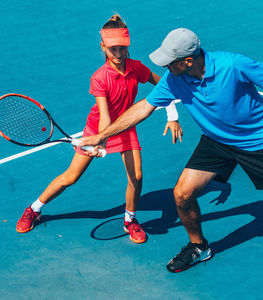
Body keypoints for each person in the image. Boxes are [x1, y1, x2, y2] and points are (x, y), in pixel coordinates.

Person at [78, 28, 263, 281]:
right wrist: (103, 134)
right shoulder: (174, 79)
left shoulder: (232, 64)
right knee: (182, 194)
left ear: (188, 60)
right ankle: (199, 246)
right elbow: (143, 107)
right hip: (217, 142)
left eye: (171, 61)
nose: (166, 66)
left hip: (261, 142)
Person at [15, 15, 183, 244]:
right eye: (113, 48)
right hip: (97, 129)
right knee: (70, 177)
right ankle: (34, 209)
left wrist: (172, 115)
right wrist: (100, 140)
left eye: (123, 48)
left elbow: (166, 84)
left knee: (137, 175)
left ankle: (130, 219)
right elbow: (105, 115)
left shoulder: (136, 68)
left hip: (125, 127)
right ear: (103, 46)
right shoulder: (100, 77)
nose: (119, 53)